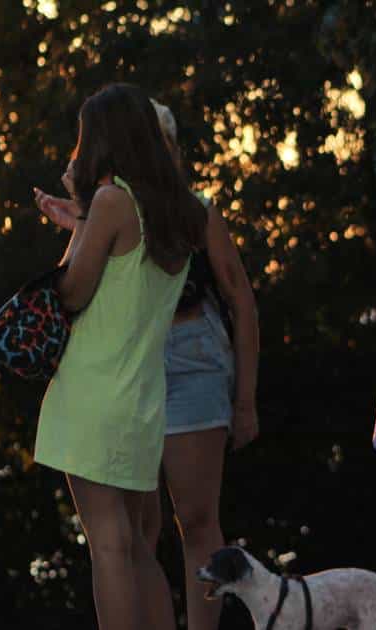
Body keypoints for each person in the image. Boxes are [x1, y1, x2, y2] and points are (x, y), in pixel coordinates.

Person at [30, 83, 204, 630]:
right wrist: (82, 220)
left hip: (95, 392)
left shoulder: (110, 201)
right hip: (142, 397)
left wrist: (81, 216)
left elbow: (73, 292)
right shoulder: (179, 210)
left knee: (107, 547)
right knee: (135, 548)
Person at [140, 99, 260, 630]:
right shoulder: (103, 214)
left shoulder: (197, 211)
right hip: (130, 369)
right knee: (134, 529)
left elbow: (242, 300)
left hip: (193, 359)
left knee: (197, 520)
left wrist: (246, 400)